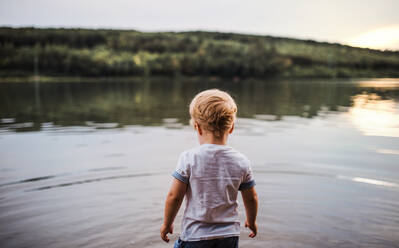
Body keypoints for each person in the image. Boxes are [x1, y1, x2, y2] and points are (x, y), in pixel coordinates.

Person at [160, 89, 258, 248]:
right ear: (231, 127)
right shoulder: (242, 161)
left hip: (195, 236)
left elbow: (174, 197)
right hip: (229, 236)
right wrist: (251, 221)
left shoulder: (189, 158)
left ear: (197, 127)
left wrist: (167, 223)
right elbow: (251, 198)